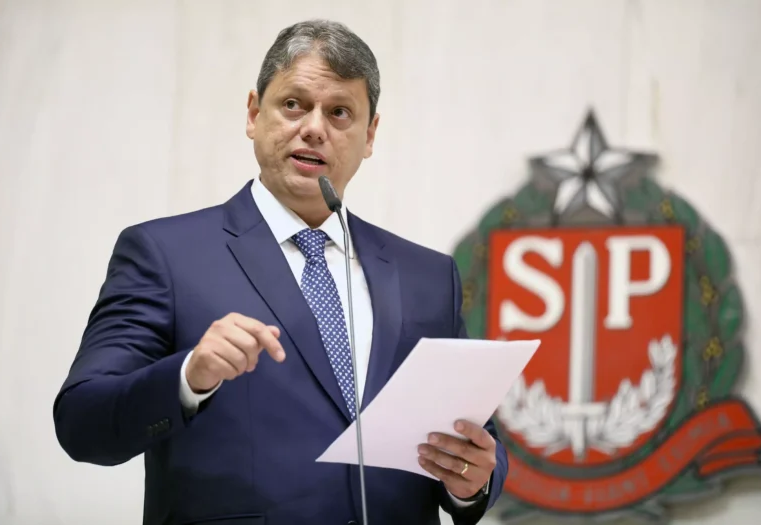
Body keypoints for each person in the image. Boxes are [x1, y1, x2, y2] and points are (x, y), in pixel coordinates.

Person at [53, 19, 508, 525]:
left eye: (339, 112)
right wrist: (188, 377)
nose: (314, 127)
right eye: (293, 104)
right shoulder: (165, 255)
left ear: (369, 134)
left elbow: (476, 437)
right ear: (254, 113)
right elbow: (82, 422)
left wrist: (472, 480)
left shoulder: (429, 276)